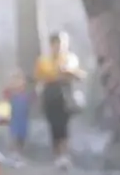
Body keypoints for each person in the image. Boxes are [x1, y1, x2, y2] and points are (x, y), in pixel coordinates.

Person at [35, 31, 84, 167]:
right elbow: (43, 77)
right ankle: (57, 155)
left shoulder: (70, 58)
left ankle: (64, 154)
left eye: (62, 44)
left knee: (64, 125)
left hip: (65, 93)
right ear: (51, 45)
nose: (59, 47)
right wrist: (60, 74)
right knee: (53, 125)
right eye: (56, 44)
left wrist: (65, 73)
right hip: (50, 93)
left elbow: (74, 73)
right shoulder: (44, 60)